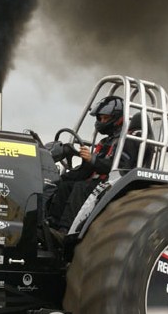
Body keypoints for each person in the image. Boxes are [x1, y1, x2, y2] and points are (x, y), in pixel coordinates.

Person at [47, 95, 139, 232]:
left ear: (117, 118)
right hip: (98, 182)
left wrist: (92, 159)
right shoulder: (105, 142)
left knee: (80, 187)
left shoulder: (127, 140)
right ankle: (51, 226)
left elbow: (119, 167)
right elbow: (88, 170)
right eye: (100, 118)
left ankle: (65, 230)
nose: (102, 121)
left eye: (105, 118)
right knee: (64, 184)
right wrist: (62, 177)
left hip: (112, 184)